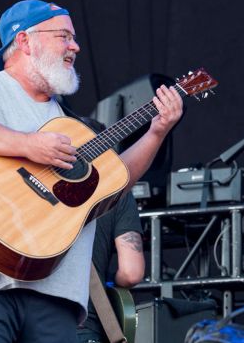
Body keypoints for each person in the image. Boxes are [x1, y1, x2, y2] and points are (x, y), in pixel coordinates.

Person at [0, 0, 182, 342]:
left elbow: (115, 181)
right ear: (24, 41)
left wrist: (156, 131)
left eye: (74, 38)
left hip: (57, 292)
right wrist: (28, 145)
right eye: (64, 36)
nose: (75, 46)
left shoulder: (72, 126)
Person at [76, 119, 145, 343]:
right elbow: (131, 272)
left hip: (29, 319)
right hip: (83, 323)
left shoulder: (33, 194)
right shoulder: (119, 194)